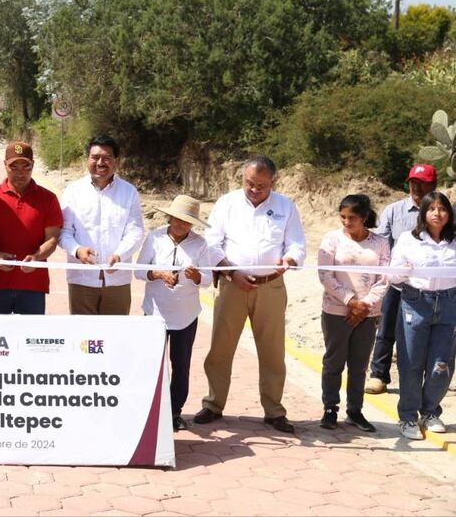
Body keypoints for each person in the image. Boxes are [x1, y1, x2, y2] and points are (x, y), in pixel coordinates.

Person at [195, 155, 306, 434]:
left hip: (271, 286)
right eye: (249, 183)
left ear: (273, 182)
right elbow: (212, 243)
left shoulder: (285, 206)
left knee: (272, 350)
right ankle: (213, 403)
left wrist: (289, 261)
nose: (254, 189)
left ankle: (274, 411)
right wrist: (231, 272)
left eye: (261, 185)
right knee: (221, 347)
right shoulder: (227, 203)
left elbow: (297, 245)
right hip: (233, 284)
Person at [135, 195, 212, 431]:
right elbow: (138, 271)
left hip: (185, 314)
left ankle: (174, 411)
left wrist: (195, 276)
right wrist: (158, 274)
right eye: (178, 219)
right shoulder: (155, 237)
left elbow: (207, 280)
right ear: (170, 217)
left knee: (181, 364)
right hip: (155, 311)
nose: (181, 225)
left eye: (187, 222)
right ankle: (150, 409)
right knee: (153, 363)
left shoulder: (200, 244)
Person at [316, 194, 389, 433]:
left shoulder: (380, 243)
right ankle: (330, 409)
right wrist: (350, 301)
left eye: (352, 218)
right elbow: (325, 274)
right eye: (343, 217)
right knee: (333, 362)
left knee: (358, 365)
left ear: (365, 217)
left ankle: (355, 411)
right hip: (337, 311)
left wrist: (364, 305)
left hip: (367, 314)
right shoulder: (331, 239)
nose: (347, 222)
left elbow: (385, 277)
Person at [366, 164, 438, 395]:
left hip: (432, 288)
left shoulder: (443, 211)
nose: (417, 186)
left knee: (430, 335)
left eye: (423, 182)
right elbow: (380, 245)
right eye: (413, 182)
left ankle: (431, 380)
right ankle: (379, 375)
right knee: (386, 330)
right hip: (397, 285)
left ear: (433, 185)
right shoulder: (393, 211)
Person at [390, 191, 456, 440]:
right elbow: (393, 276)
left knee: (441, 364)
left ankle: (430, 412)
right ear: (424, 213)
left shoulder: (454, 240)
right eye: (432, 209)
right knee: (411, 362)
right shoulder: (409, 239)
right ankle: (407, 416)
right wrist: (402, 270)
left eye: (442, 209)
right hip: (416, 303)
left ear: (448, 213)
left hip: (450, 304)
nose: (437, 214)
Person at [59, 135, 145, 315]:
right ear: (87, 159)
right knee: (83, 338)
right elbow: (64, 232)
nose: (100, 162)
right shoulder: (73, 191)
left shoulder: (129, 192)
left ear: (116, 161)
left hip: (117, 279)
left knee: (115, 336)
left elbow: (135, 232)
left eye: (107, 158)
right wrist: (77, 250)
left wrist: (119, 255)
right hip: (81, 279)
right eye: (95, 157)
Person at [0, 142, 62, 314]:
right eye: (14, 167)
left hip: (33, 285)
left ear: (33, 165)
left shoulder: (48, 199)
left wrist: (36, 257)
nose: (20, 173)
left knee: (30, 339)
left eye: (26, 166)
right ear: (5, 165)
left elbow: (52, 239)